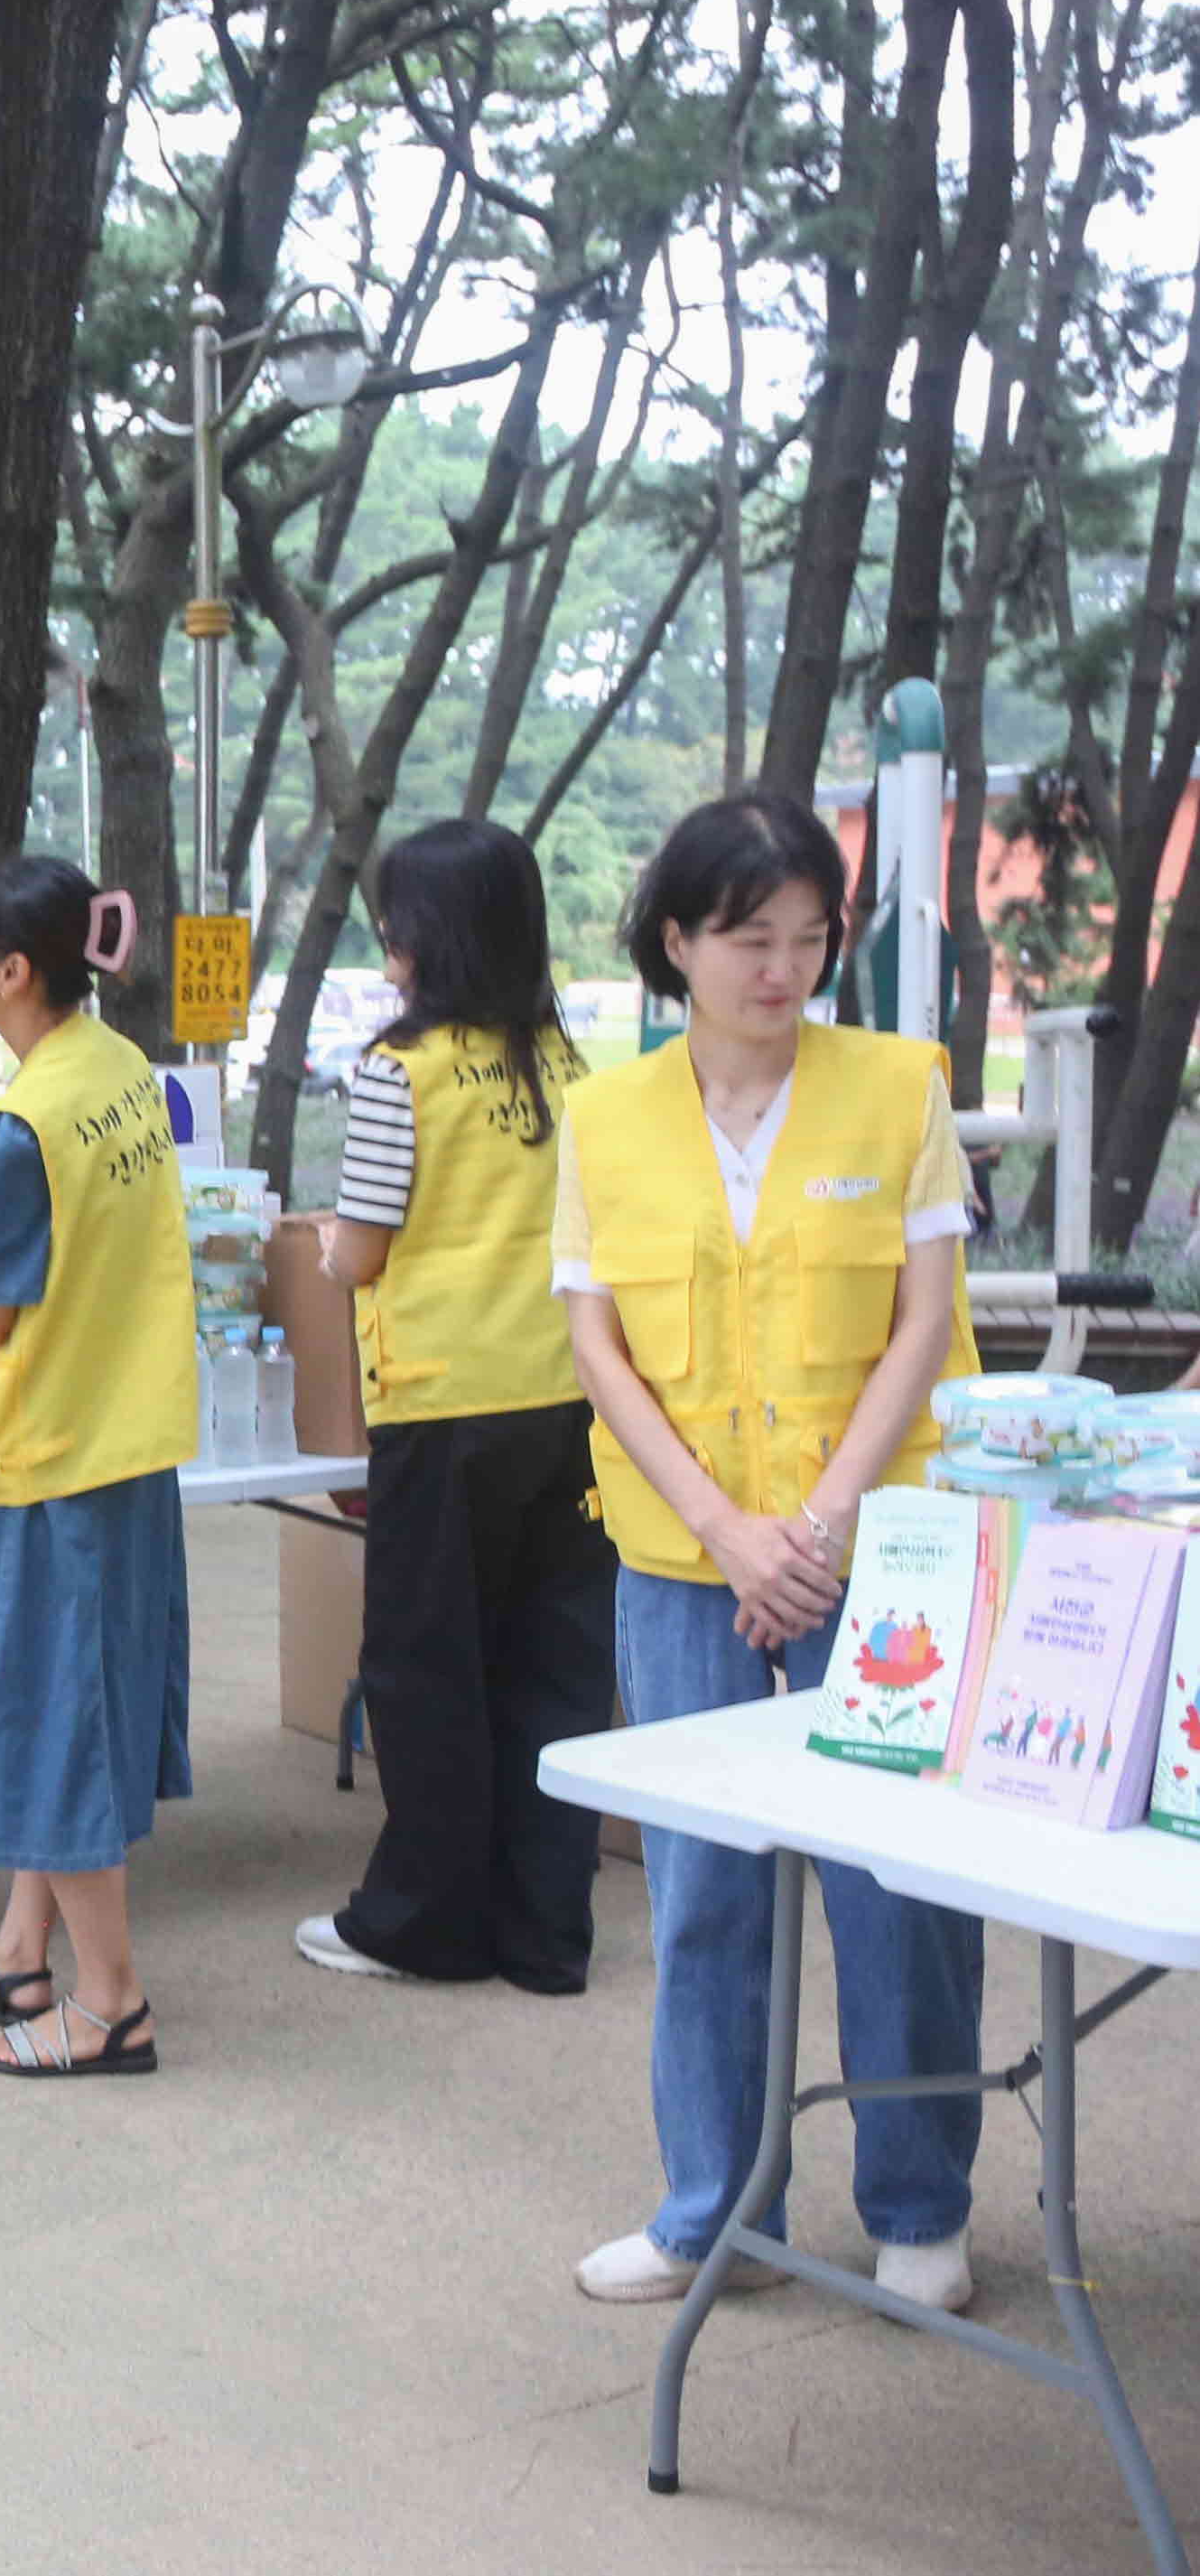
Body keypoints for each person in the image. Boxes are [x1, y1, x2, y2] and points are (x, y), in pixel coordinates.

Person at [553, 790, 985, 2312]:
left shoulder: (899, 1087)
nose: (783, 968)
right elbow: (600, 1345)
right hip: (683, 1558)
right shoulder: (605, 1115)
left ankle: (922, 2197)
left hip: (878, 1562)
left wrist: (814, 1527)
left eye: (811, 936)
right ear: (676, 941)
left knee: (901, 1892)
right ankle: (710, 2209)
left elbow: (924, 1321)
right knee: (704, 1891)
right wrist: (731, 1530)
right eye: (749, 937)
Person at [302, 820, 616, 1993]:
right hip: (572, 1408)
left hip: (440, 1408)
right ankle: (542, 1934)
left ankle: (422, 1923)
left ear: (420, 933)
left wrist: (329, 1247)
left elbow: (360, 1255)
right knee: (553, 1666)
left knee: (427, 1670)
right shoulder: (570, 1067)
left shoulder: (398, 1072)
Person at [0, 856, 197, 2079]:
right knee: (60, 1708)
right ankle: (20, 1952)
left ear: (14, 971)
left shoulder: (17, 1129)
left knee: (55, 1724)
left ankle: (110, 2001)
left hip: (49, 1454)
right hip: (124, 1435)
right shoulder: (119, 1069)